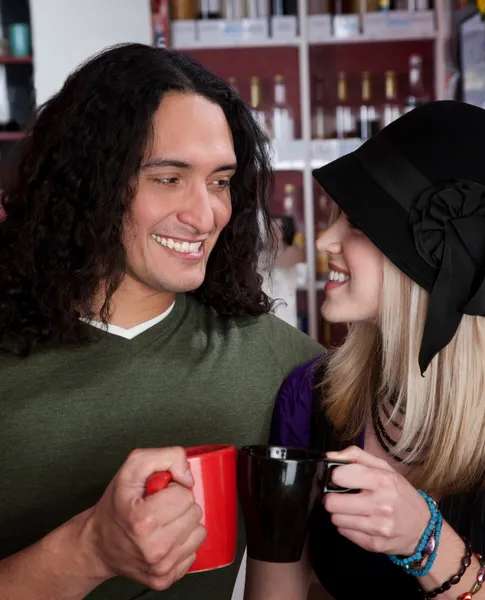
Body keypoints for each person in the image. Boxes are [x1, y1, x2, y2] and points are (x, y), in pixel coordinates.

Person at [0, 44, 323, 600]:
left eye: (220, 181)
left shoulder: (287, 370)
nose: (205, 215)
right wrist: (90, 550)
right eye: (169, 178)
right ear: (90, 182)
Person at [245, 101, 485, 600]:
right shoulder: (308, 399)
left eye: (359, 225)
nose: (325, 239)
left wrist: (426, 544)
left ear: (434, 264)